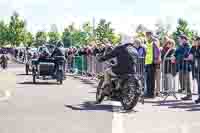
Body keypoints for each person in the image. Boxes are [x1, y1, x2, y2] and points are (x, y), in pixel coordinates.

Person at [172, 34, 192, 100]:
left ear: (184, 39)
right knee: (181, 79)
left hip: (186, 66)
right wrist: (174, 56)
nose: (179, 40)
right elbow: (175, 53)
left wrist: (179, 57)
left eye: (180, 39)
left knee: (187, 81)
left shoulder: (188, 46)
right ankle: (183, 89)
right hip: (180, 66)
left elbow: (186, 54)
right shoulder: (179, 46)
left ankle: (189, 95)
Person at [144, 30, 160, 98]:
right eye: (146, 35)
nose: (146, 36)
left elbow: (157, 51)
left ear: (151, 35)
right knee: (148, 79)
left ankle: (151, 94)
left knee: (152, 79)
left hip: (152, 62)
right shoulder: (147, 42)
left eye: (147, 35)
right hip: (147, 62)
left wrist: (156, 59)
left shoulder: (154, 41)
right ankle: (148, 93)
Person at [188, 36, 200, 103]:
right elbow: (189, 54)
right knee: (198, 83)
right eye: (194, 40)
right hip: (195, 68)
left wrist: (195, 55)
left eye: (196, 40)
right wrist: (190, 56)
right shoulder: (192, 48)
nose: (195, 42)